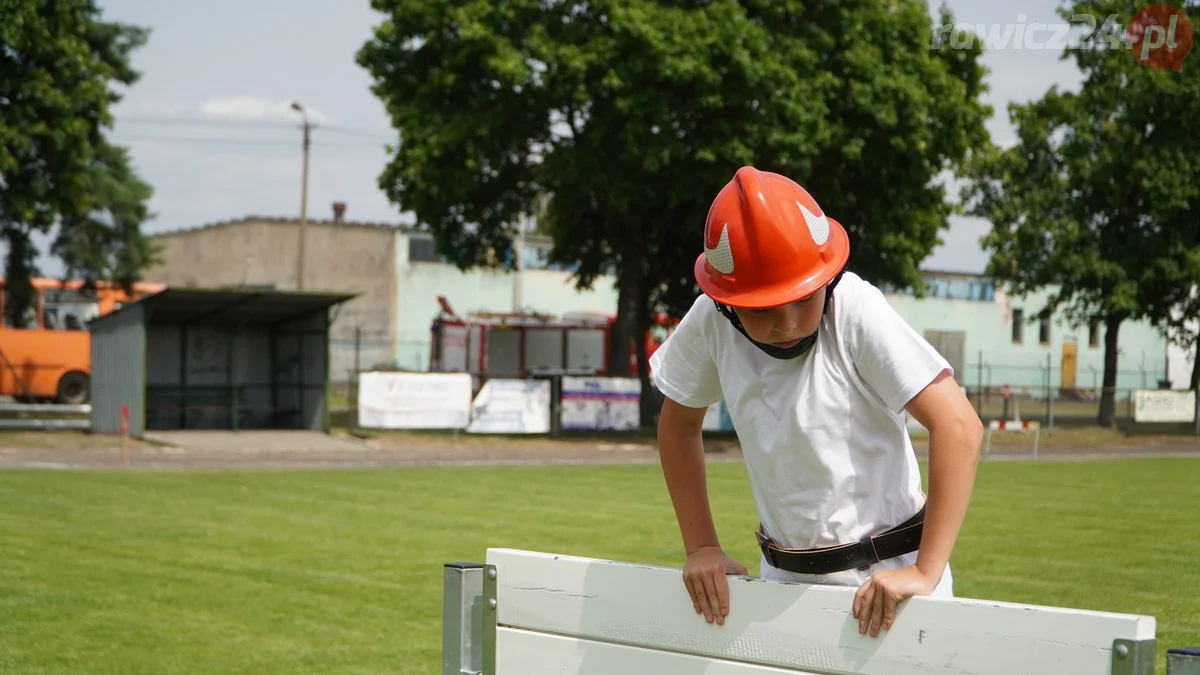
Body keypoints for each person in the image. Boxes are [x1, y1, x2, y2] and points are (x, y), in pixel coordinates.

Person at [649, 166, 984, 639]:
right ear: (724, 300)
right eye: (763, 309)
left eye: (803, 298)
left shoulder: (853, 308)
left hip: (893, 585)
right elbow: (678, 424)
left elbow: (959, 425)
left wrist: (926, 571)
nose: (787, 322)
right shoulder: (711, 321)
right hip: (781, 587)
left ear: (830, 274)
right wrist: (701, 545)